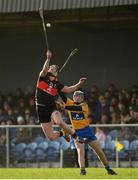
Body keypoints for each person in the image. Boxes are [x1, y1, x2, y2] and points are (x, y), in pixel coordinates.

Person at [58, 90, 117, 176]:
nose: (77, 97)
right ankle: (82, 170)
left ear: (82, 98)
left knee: (99, 151)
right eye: (75, 96)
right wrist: (56, 86)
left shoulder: (84, 105)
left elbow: (76, 109)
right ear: (73, 97)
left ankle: (108, 168)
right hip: (77, 132)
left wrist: (65, 107)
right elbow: (62, 96)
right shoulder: (69, 102)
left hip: (87, 130)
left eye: (79, 96)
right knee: (80, 151)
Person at [35, 50, 86, 142]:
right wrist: (48, 58)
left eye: (52, 67)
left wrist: (79, 84)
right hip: (41, 109)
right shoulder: (42, 78)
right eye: (50, 66)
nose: (50, 67)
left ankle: (76, 136)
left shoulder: (57, 84)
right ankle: (63, 133)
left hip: (51, 106)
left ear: (56, 73)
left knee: (58, 122)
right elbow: (44, 70)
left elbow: (70, 89)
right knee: (50, 137)